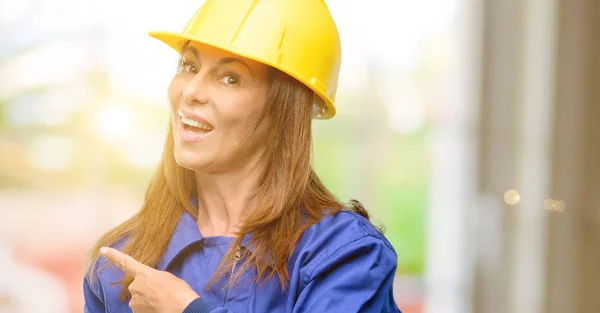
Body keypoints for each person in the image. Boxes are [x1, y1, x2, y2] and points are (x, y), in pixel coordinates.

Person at [83, 0, 403, 312]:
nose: (192, 90)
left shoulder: (343, 255)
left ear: (284, 109)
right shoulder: (120, 264)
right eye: (189, 66)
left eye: (230, 78)